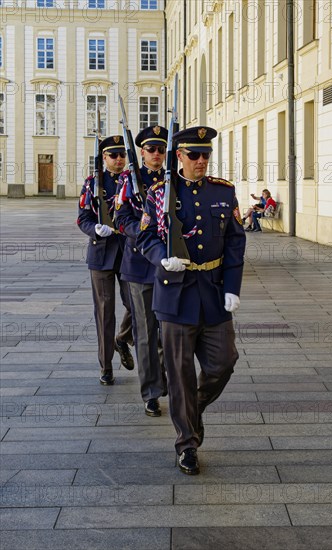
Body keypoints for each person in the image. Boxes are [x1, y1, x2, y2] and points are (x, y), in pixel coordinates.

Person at [136, 126, 246, 474]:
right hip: (175, 294)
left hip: (212, 290)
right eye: (194, 155)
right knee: (180, 374)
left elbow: (235, 242)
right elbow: (145, 235)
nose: (201, 161)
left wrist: (232, 286)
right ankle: (187, 444)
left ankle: (190, 409)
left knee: (224, 362)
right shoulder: (159, 192)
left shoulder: (224, 192)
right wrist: (159, 257)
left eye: (206, 155)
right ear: (179, 155)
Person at [115, 126, 168, 417]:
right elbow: (120, 217)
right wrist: (143, 231)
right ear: (142, 153)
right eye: (151, 150)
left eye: (161, 149)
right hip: (138, 266)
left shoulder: (174, 178)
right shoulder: (129, 179)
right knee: (146, 332)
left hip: (169, 265)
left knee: (168, 331)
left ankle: (166, 379)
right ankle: (150, 391)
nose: (157, 155)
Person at [77, 135, 134, 385]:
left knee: (136, 306)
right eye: (114, 155)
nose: (119, 159)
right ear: (104, 158)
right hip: (101, 254)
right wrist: (95, 229)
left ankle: (122, 338)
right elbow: (82, 218)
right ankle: (106, 365)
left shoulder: (134, 182)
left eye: (122, 155)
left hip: (129, 253)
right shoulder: (92, 183)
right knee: (104, 312)